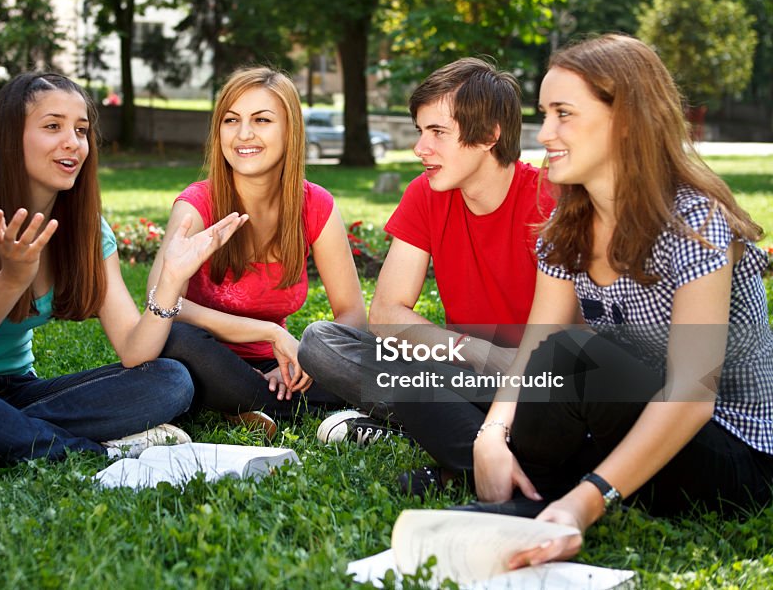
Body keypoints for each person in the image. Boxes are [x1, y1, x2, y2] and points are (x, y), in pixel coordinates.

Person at [472, 34, 773, 569]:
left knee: (572, 357)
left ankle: (542, 499)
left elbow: (691, 396)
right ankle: (522, 485)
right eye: (545, 113)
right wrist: (491, 434)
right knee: (545, 366)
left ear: (628, 119)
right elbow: (535, 349)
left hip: (735, 454)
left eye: (565, 113)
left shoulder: (695, 225)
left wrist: (584, 505)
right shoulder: (566, 231)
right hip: (640, 428)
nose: (546, 134)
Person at [0, 72, 246, 473]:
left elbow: (134, 350)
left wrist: (173, 279)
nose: (73, 142)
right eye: (53, 126)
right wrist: (12, 280)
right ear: (10, 137)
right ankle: (92, 451)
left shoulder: (87, 231)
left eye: (82, 130)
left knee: (172, 380)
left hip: (19, 393)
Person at [297, 58, 554, 492]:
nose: (421, 148)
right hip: (461, 372)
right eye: (420, 131)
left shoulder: (546, 199)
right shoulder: (426, 193)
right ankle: (479, 450)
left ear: (490, 135)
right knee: (322, 342)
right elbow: (386, 314)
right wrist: (476, 351)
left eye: (437, 132)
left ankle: (461, 457)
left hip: (536, 384)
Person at [151, 67, 367, 436]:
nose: (244, 134)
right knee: (176, 340)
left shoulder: (315, 205)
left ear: (290, 130)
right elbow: (160, 301)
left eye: (262, 120)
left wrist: (304, 364)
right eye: (231, 120)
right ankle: (267, 405)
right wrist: (269, 332)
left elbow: (351, 317)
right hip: (206, 359)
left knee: (360, 354)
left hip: (277, 362)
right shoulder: (197, 204)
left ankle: (250, 405)